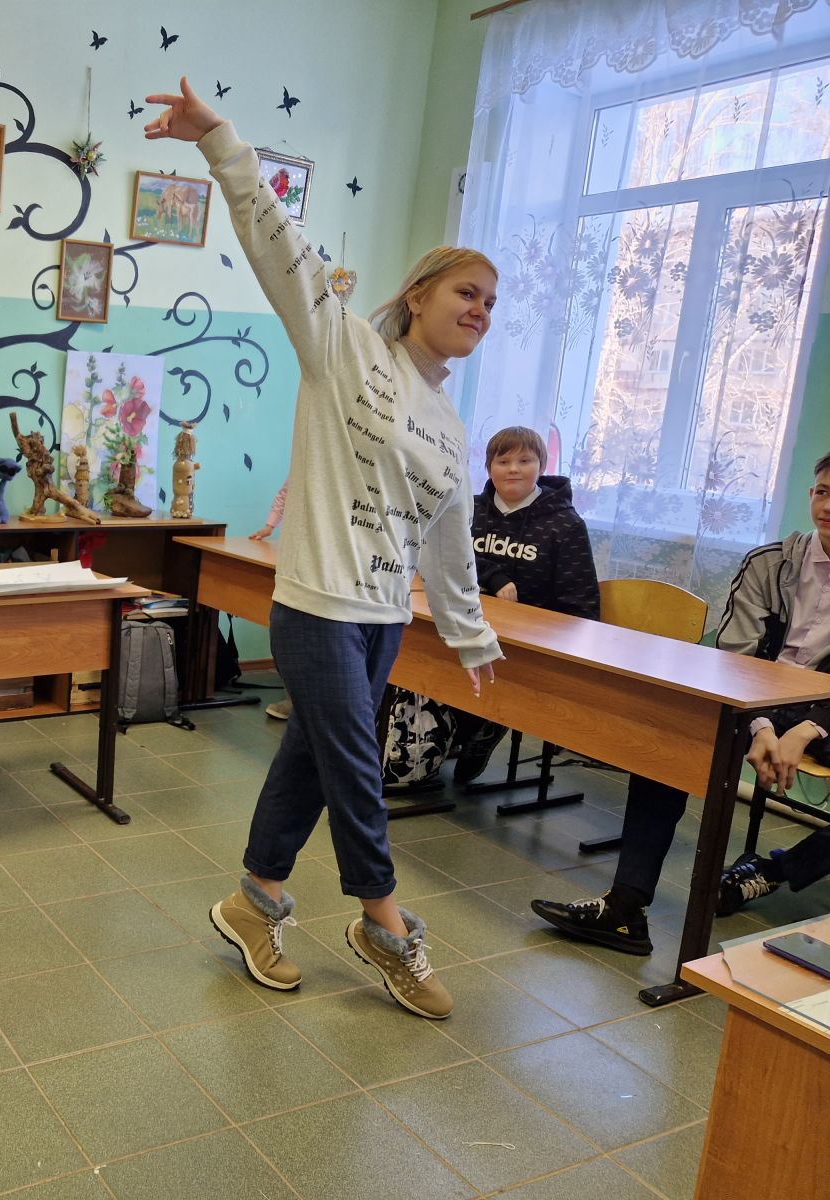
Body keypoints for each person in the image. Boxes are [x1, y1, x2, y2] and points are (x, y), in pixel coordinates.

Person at [145, 78, 502, 1021]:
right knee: (355, 768)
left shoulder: (449, 422)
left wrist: (468, 631)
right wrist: (220, 140)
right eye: (467, 292)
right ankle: (385, 926)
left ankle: (253, 901)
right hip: (315, 605)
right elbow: (277, 241)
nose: (481, 309)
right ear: (418, 294)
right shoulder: (340, 347)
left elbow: (449, 538)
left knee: (310, 758)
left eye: (491, 302)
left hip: (384, 617)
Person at [531, 451, 830, 954]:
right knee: (669, 734)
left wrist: (808, 729)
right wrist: (759, 724)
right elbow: (734, 655)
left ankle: (775, 870)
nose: (828, 506)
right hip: (754, 696)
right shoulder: (770, 563)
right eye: (823, 492)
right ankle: (626, 908)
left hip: (823, 712)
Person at [452, 426, 599, 783]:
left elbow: (581, 604)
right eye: (503, 461)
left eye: (525, 460)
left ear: (542, 466)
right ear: (489, 467)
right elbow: (447, 555)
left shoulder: (565, 524)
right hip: (468, 622)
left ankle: (488, 721)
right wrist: (494, 576)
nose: (513, 469)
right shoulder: (469, 510)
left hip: (528, 641)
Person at [249, 482, 294, 721]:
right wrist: (269, 526)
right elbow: (285, 493)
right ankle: (292, 699)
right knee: (288, 633)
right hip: (296, 555)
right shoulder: (306, 463)